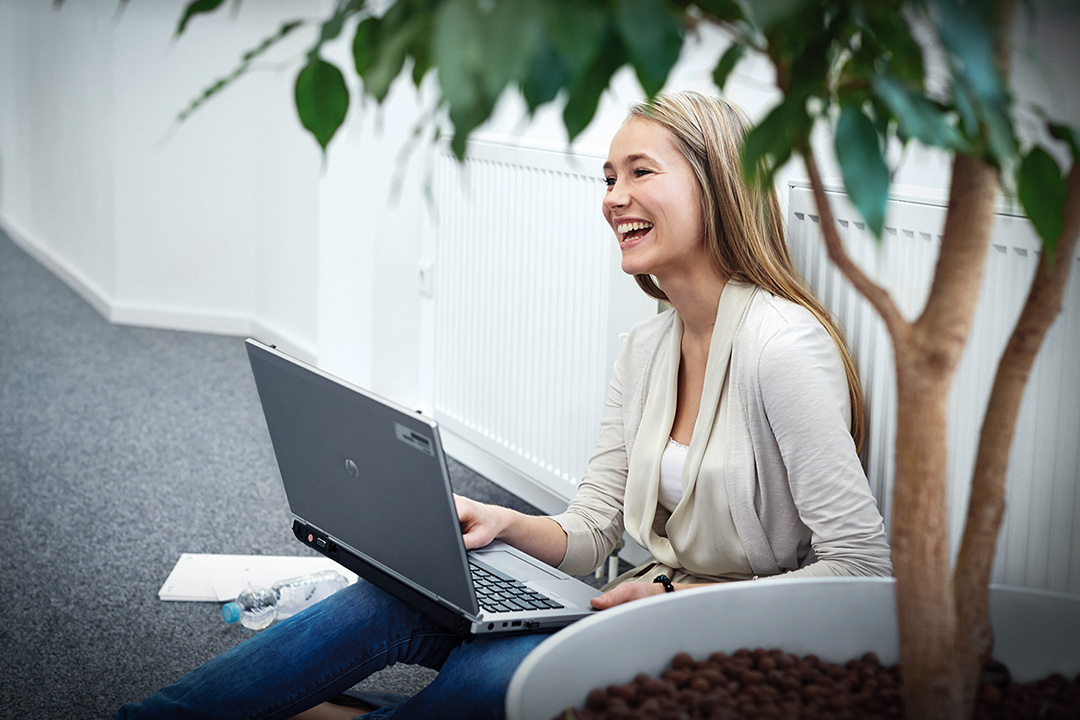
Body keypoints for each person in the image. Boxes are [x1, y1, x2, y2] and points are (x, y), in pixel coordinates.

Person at [112, 91, 890, 720]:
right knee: (393, 597)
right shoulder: (647, 349)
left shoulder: (782, 349)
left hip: (736, 641)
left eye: (640, 173)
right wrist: (504, 523)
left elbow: (859, 569)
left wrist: (679, 598)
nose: (615, 198)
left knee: (495, 676)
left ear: (719, 183)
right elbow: (595, 529)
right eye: (608, 179)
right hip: (632, 604)